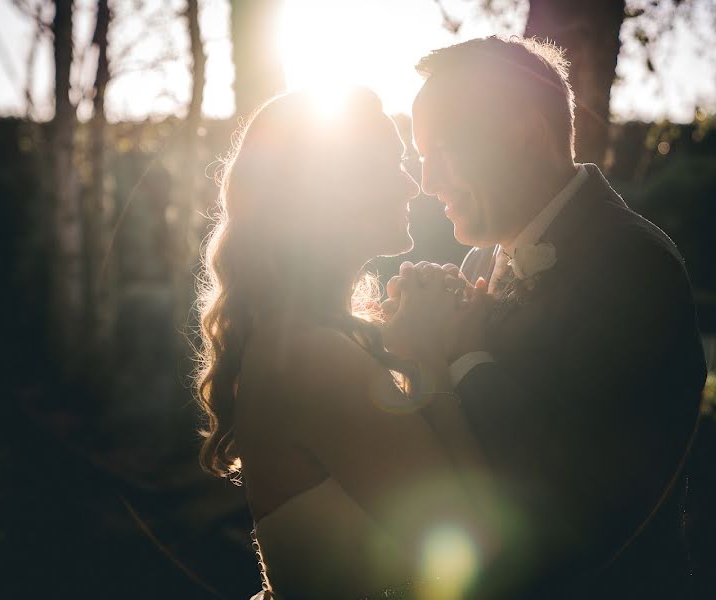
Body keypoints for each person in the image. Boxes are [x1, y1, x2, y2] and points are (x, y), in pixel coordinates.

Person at [382, 36, 708, 598]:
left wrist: (462, 355)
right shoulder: (481, 259)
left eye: (442, 151)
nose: (428, 183)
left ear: (526, 135)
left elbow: (571, 486)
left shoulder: (632, 263)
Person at [194, 88, 502, 599]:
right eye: (390, 165)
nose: (411, 186)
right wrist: (427, 357)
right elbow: (477, 540)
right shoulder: (317, 358)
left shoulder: (304, 339)